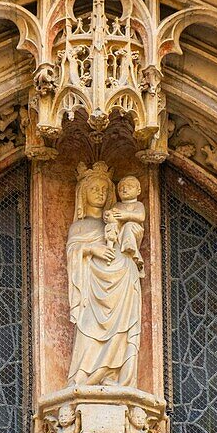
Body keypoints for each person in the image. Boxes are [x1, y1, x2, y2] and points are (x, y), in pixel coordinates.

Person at [65, 162, 144, 388]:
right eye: (94, 189)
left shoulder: (118, 222)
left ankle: (114, 376)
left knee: (122, 328)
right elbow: (73, 252)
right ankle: (83, 377)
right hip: (93, 289)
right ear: (83, 194)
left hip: (122, 281)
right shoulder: (79, 228)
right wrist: (92, 249)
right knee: (88, 328)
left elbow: (134, 233)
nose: (100, 193)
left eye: (104, 189)